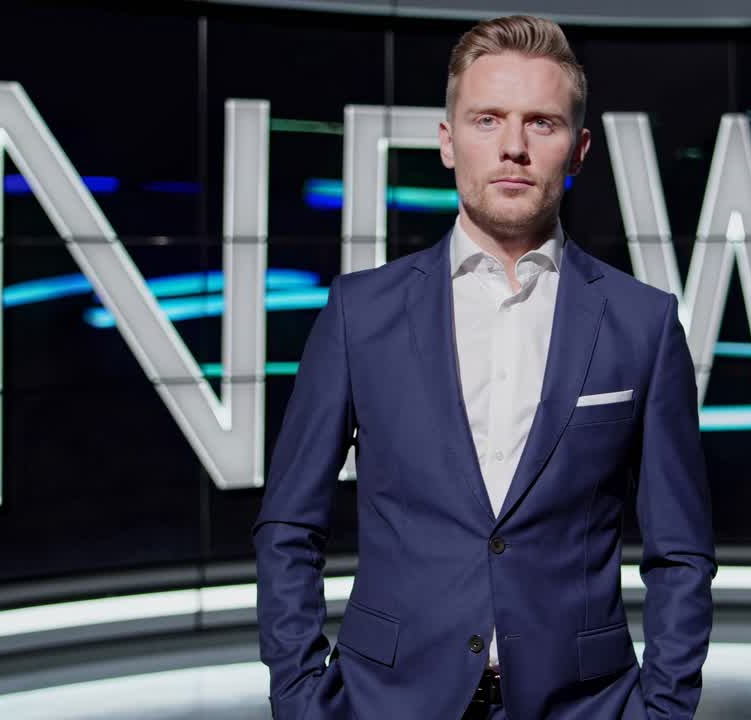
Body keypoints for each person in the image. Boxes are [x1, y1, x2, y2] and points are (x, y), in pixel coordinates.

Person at [251, 14, 715, 720]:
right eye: (488, 119)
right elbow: (289, 526)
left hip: (584, 705)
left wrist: (664, 709)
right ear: (448, 141)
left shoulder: (642, 324)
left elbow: (681, 552)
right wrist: (299, 698)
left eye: (542, 124)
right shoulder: (360, 314)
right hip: (387, 702)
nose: (513, 148)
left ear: (579, 148)